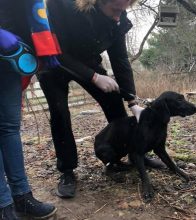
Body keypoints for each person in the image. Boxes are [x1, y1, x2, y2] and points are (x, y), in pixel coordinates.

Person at [37, 0, 165, 199]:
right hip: (53, 63)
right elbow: (58, 51)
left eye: (122, 11)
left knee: (113, 98)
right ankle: (67, 171)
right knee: (60, 112)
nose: (118, 16)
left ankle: (133, 153)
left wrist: (132, 102)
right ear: (97, 3)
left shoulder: (118, 19)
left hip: (87, 61)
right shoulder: (62, 6)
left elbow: (120, 60)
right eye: (115, 10)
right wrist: (94, 77)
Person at [0, 0, 61, 219]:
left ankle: (21, 197)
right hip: (6, 42)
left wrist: (42, 47)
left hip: (12, 54)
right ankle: (3, 205)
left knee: (9, 127)